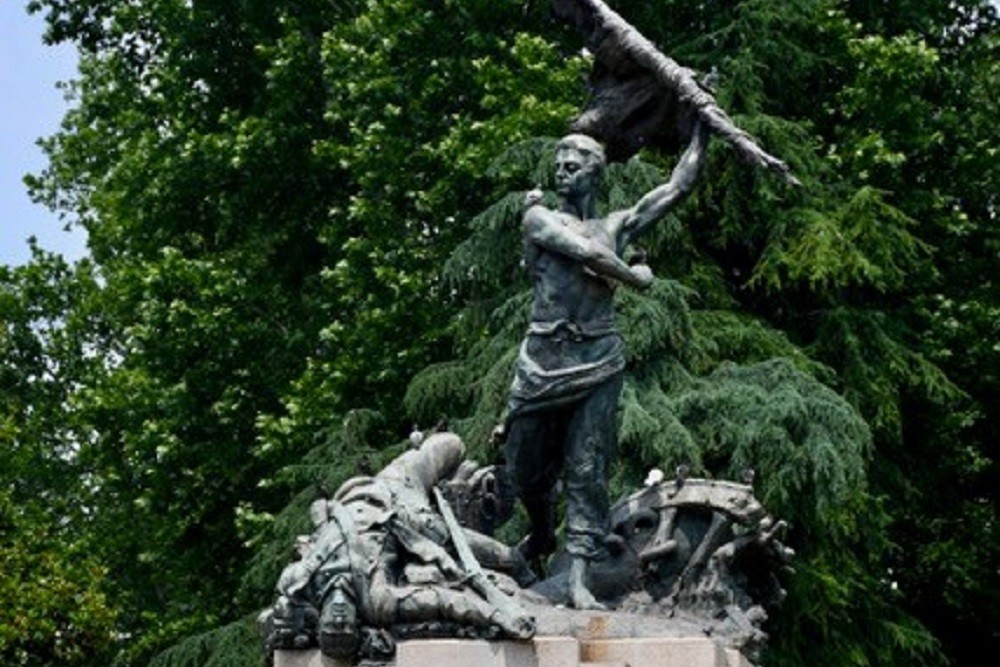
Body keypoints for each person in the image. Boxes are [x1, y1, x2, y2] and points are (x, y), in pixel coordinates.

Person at [503, 119, 709, 610]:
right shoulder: (538, 217)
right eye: (558, 163)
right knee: (525, 470)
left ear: (597, 174)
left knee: (587, 467)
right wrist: (638, 279)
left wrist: (700, 128)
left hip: (598, 359)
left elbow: (676, 187)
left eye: (575, 164)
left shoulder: (618, 223)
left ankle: (578, 579)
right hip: (542, 362)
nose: (564, 169)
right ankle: (538, 532)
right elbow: (588, 254)